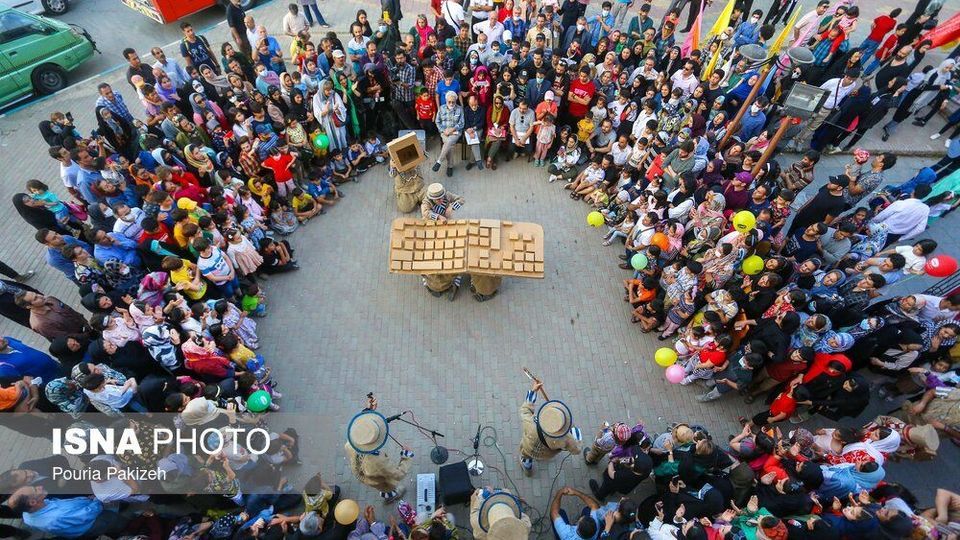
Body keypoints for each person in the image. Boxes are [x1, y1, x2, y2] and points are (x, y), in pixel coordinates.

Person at [344, 397, 412, 503]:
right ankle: (390, 496)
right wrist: (407, 456)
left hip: (359, 472)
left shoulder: (353, 440)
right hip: (374, 477)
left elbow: (363, 429)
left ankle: (388, 495)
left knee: (379, 485)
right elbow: (398, 474)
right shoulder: (378, 461)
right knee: (386, 487)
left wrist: (368, 411)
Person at [518, 379, 581, 476]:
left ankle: (527, 466)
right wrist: (575, 431)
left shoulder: (531, 423)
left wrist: (533, 391)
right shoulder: (566, 438)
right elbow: (577, 450)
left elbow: (525, 410)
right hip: (546, 455)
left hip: (528, 447)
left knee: (526, 455)